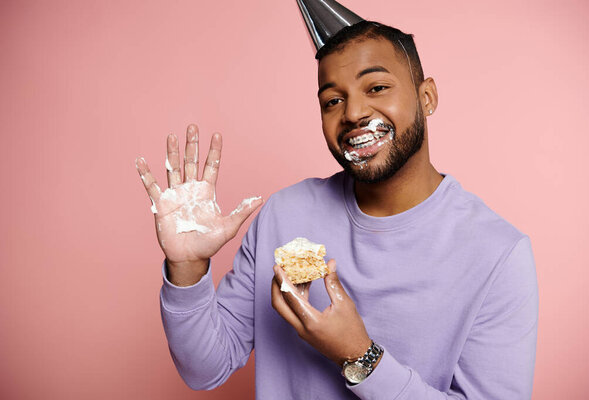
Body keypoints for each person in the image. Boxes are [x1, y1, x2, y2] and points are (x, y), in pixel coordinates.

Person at [135, 2, 538, 399]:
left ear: (427, 96)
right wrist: (186, 268)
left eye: (377, 87)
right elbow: (206, 368)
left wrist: (361, 357)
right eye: (332, 100)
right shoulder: (285, 214)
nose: (354, 113)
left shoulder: (498, 253)